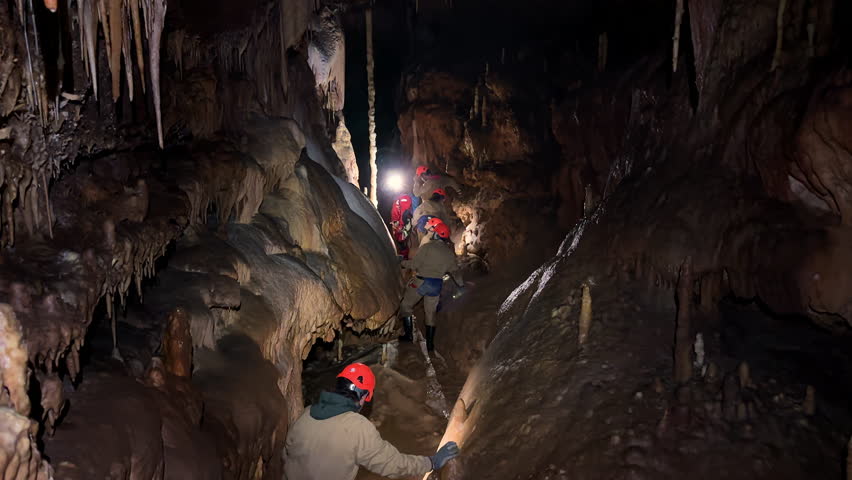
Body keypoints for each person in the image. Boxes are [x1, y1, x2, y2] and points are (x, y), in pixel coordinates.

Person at [284, 363, 460, 480]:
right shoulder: (357, 427)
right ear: (362, 397)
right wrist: (432, 462)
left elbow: (287, 453)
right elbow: (393, 464)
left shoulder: (306, 414)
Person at [398, 218, 462, 351]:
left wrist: (401, 262)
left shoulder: (427, 247)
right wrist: (461, 286)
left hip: (421, 282)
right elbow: (455, 272)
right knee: (430, 313)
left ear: (436, 234)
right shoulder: (449, 254)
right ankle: (430, 345)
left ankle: (409, 335)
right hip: (436, 285)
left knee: (406, 305)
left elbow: (414, 265)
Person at [390, 194, 415, 259]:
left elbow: (395, 215)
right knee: (403, 243)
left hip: (404, 225)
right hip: (404, 225)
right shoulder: (407, 199)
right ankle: (404, 257)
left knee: (403, 243)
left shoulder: (398, 202)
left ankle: (404, 258)